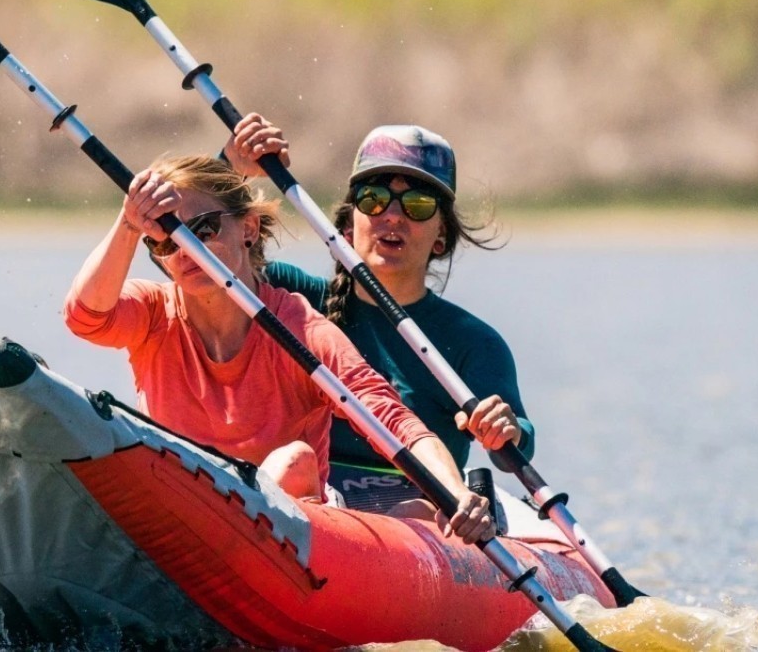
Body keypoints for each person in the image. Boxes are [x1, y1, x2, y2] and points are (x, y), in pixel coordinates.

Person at [62, 153, 495, 543]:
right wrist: (127, 224)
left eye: (202, 230)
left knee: (294, 461)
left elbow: (392, 420)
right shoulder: (154, 311)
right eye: (161, 241)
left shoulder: (301, 331)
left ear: (247, 228)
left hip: (293, 535)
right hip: (180, 515)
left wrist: (455, 494)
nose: (183, 250)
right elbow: (85, 317)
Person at [223, 116, 534, 484]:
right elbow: (196, 261)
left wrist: (508, 429)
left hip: (416, 509)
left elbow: (518, 444)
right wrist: (230, 167)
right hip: (302, 491)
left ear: (441, 237)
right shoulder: (291, 297)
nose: (393, 216)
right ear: (348, 228)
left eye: (417, 205)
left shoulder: (473, 342)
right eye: (374, 199)